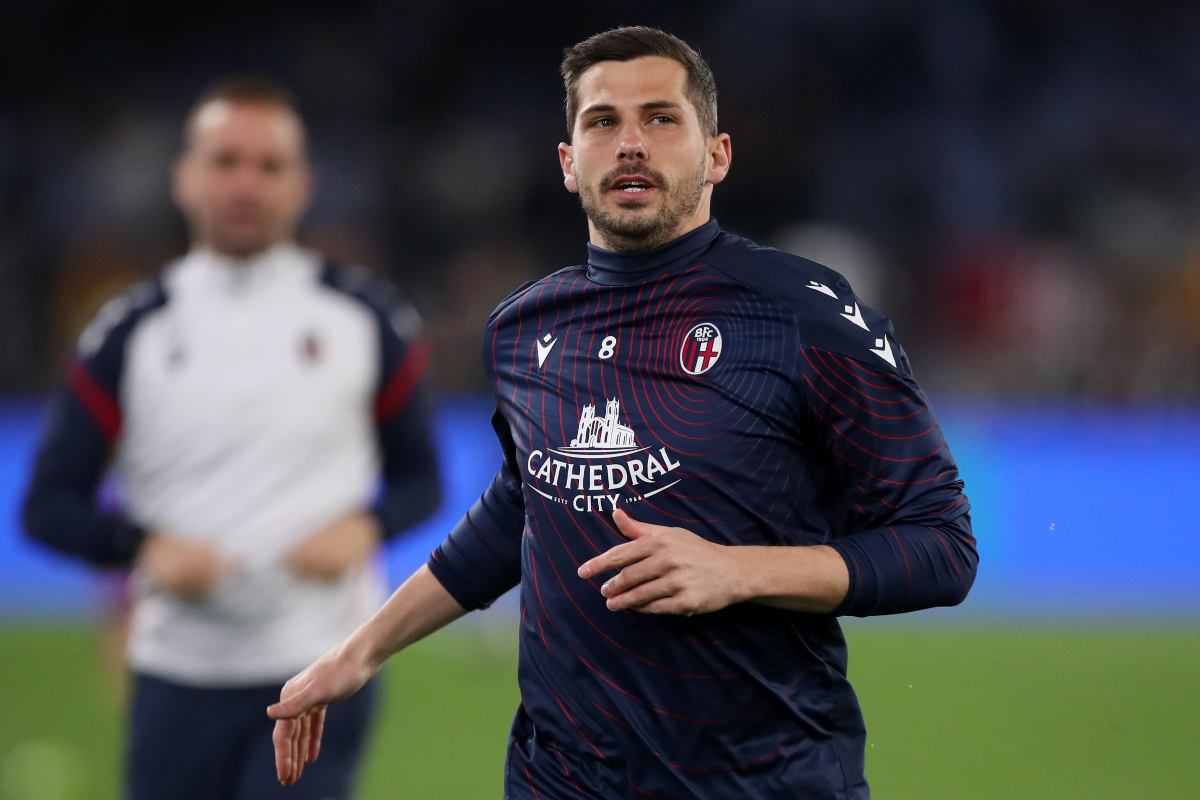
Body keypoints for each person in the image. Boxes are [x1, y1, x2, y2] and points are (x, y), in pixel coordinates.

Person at [268, 27, 978, 799]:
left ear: (718, 155)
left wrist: (737, 571)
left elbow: (941, 547)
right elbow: (521, 507)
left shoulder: (803, 317)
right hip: (557, 780)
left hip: (762, 781)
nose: (631, 142)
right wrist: (359, 651)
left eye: (661, 118)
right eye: (603, 121)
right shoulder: (523, 328)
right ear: (570, 163)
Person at [22, 77, 441, 800]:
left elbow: (422, 480)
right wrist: (141, 549)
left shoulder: (367, 322)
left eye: (269, 164)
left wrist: (367, 526)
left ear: (302, 184)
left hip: (320, 670)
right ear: (185, 177)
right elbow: (47, 505)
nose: (246, 182)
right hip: (176, 674)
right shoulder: (126, 334)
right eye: (225, 161)